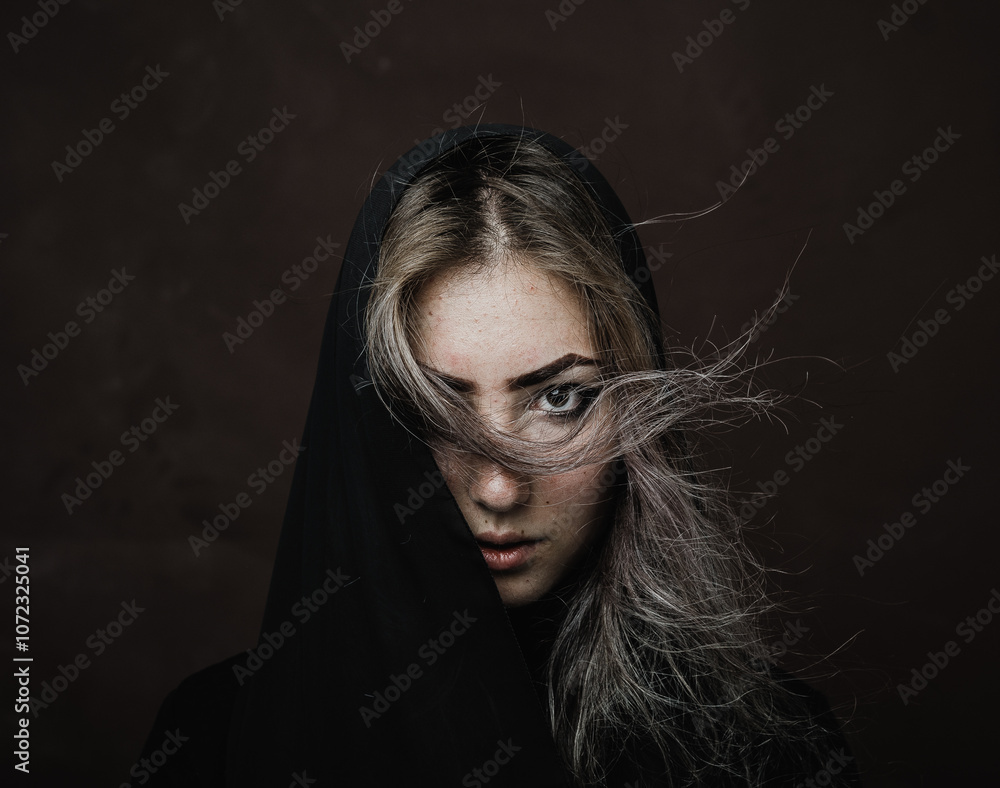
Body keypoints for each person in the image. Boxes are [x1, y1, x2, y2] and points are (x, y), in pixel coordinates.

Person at [136, 124, 859, 787]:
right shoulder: (211, 743)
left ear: (632, 405)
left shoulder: (768, 749)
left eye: (559, 400)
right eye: (435, 410)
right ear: (368, 418)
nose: (498, 486)